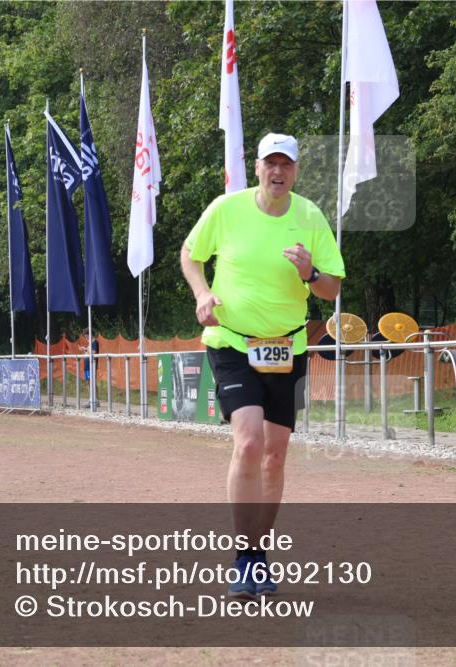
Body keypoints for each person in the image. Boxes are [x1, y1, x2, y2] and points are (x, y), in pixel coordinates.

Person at [180, 132, 345, 599]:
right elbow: (191, 255)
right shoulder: (225, 209)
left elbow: (331, 289)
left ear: (295, 171)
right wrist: (202, 293)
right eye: (270, 163)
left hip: (287, 349)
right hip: (232, 342)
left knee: (274, 456)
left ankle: (258, 556)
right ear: (256, 168)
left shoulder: (310, 216)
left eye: (286, 165)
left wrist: (311, 272)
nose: (278, 172)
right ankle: (242, 557)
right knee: (249, 441)